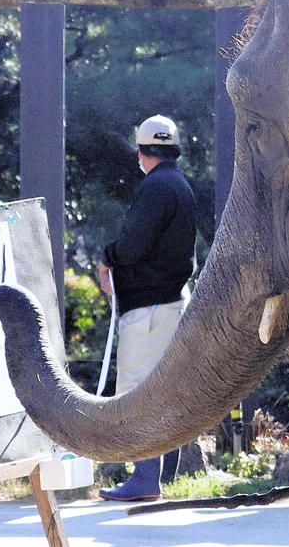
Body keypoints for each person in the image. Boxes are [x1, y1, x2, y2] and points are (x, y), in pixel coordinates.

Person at [96, 114, 197, 502]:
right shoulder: (180, 186)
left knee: (137, 392)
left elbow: (132, 246)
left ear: (140, 151)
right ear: (174, 149)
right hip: (172, 302)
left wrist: (107, 258)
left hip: (149, 308)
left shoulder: (155, 188)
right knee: (161, 390)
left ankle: (145, 477)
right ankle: (153, 474)